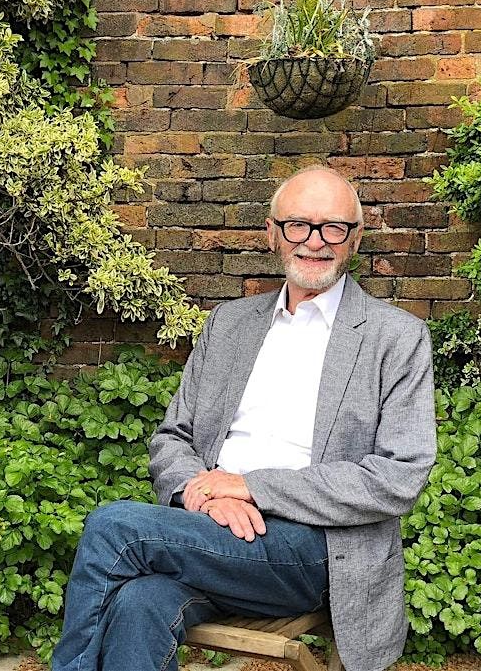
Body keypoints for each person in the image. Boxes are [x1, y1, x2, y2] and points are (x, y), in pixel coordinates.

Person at [51, 166, 437, 671]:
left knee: (113, 527)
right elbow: (173, 436)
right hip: (211, 532)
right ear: (273, 233)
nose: (315, 241)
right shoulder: (229, 324)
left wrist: (252, 487)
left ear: (355, 238)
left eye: (333, 228)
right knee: (139, 603)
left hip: (316, 546)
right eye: (298, 225)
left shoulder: (395, 337)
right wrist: (202, 494)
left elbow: (398, 476)